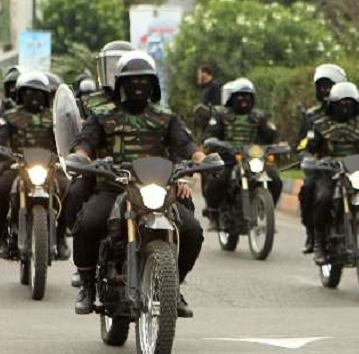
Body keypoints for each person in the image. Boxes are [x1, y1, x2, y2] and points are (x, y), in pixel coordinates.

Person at [69, 51, 205, 318]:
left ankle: (173, 287)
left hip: (157, 188)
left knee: (191, 230)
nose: (139, 85)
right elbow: (85, 143)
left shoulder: (166, 116)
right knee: (89, 223)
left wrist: (202, 159)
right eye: (132, 80)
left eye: (144, 80)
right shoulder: (103, 115)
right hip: (114, 187)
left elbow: (186, 144)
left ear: (153, 84)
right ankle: (87, 286)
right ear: (121, 85)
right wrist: (81, 158)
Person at [67, 40, 137, 288]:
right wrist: (83, 158)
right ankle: (84, 269)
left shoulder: (155, 109)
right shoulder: (93, 103)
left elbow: (174, 144)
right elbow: (82, 137)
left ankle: (173, 281)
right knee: (77, 199)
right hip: (101, 172)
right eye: (112, 66)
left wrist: (180, 172)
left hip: (145, 178)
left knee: (186, 219)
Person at [0, 71, 70, 259]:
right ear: (21, 94)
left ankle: (61, 235)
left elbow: (66, 139)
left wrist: (71, 153)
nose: (34, 96)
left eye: (39, 93)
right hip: (16, 165)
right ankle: (1, 236)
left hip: (50, 167)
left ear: (46, 95)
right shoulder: (10, 116)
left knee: (69, 190)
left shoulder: (55, 117)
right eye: (29, 92)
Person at [306, 81, 359, 264]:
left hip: (357, 171)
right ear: (332, 104)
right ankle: (319, 243)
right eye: (342, 103)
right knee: (323, 199)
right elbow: (308, 149)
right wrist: (309, 158)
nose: (346, 107)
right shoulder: (320, 125)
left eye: (350, 103)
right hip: (329, 172)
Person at [202, 77, 281, 230]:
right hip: (227, 158)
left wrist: (279, 143)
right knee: (217, 180)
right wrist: (214, 142)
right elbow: (210, 134)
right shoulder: (220, 114)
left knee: (275, 179)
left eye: (247, 96)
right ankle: (213, 213)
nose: (244, 99)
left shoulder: (258, 116)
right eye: (240, 96)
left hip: (252, 158)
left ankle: (265, 210)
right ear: (232, 97)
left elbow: (272, 135)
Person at [297, 64, 347, 253]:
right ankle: (313, 235)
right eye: (322, 87)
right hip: (322, 168)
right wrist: (306, 156)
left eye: (330, 86)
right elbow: (302, 143)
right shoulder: (312, 115)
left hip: (352, 166)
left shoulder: (355, 111)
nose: (325, 91)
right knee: (312, 191)